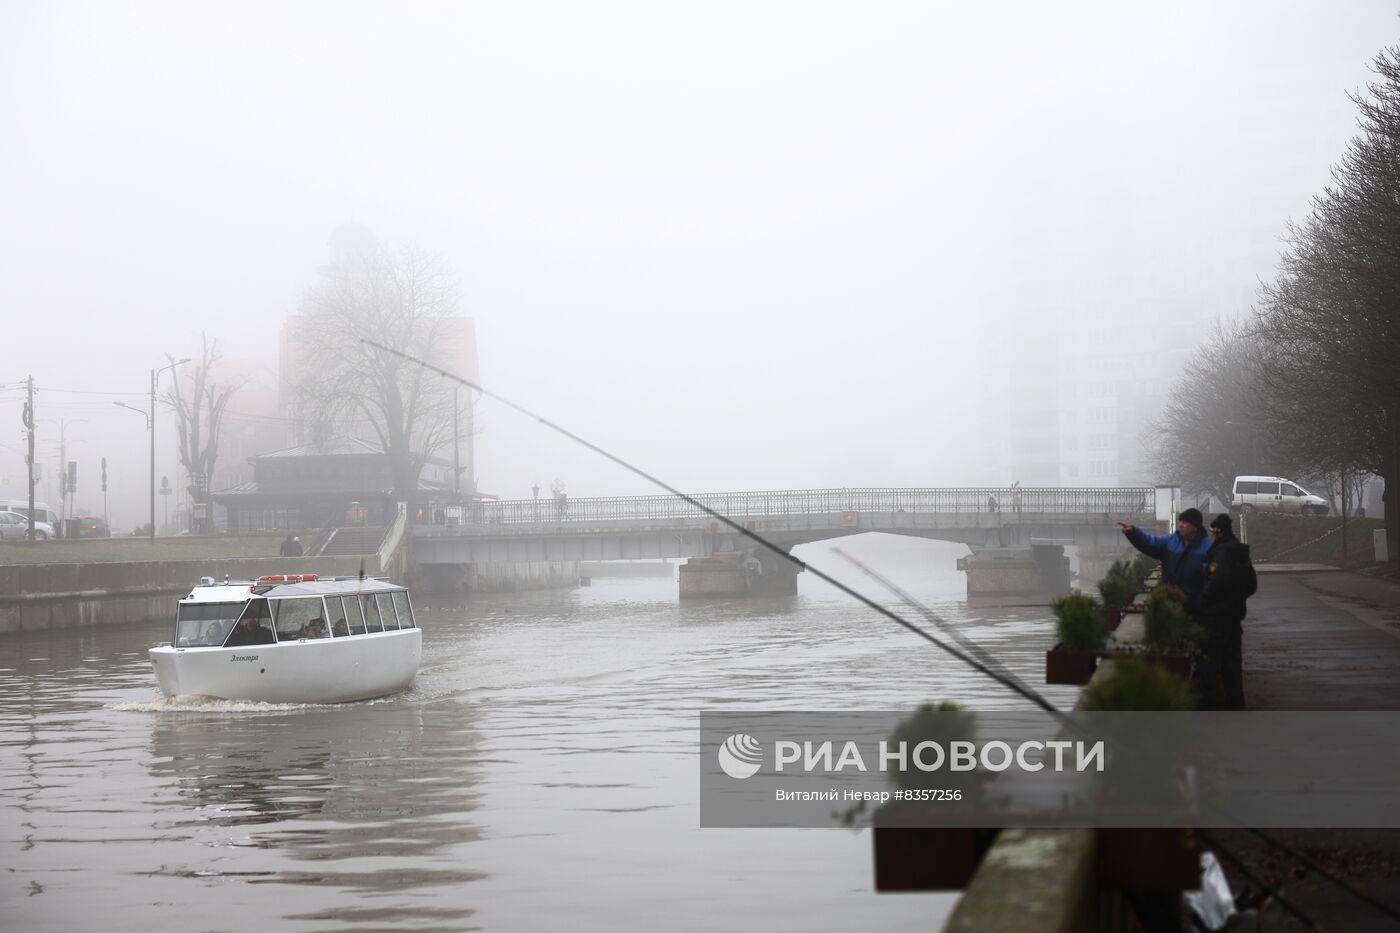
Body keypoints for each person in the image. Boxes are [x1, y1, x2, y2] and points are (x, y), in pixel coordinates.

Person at [1198, 514, 1257, 709]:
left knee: (1209, 663)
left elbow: (1217, 580)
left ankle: (1207, 706)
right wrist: (1236, 598)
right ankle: (1236, 705)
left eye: (1213, 533)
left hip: (1216, 618)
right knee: (1232, 665)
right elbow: (1252, 585)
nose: (1211, 538)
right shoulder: (1240, 553)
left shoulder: (1220, 553)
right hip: (1235, 616)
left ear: (1218, 533)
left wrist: (1203, 601)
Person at [1117, 507, 1213, 614]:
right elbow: (1150, 542)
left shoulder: (1208, 548)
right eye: (1180, 521)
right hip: (1169, 602)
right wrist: (1133, 533)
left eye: (1185, 522)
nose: (1180, 525)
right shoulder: (1171, 541)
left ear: (1195, 527)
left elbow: (1211, 580)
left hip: (1195, 607)